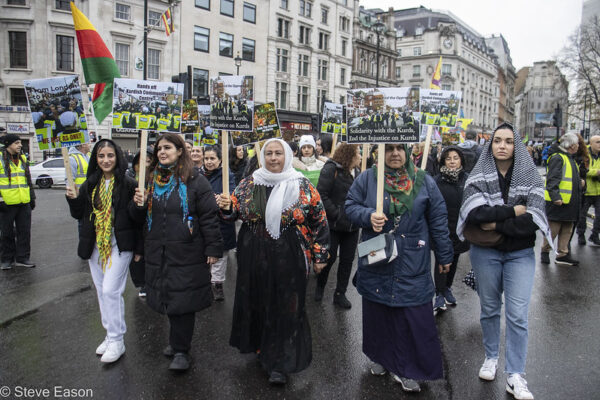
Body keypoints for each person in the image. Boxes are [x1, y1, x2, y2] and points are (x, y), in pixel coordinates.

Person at [217, 138, 329, 385]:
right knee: (257, 300)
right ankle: (261, 347)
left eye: (279, 153)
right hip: (253, 251)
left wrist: (320, 255)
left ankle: (279, 361)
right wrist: (226, 208)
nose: (274, 158)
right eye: (269, 153)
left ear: (287, 155)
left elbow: (319, 221)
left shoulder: (302, 186)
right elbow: (233, 212)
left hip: (288, 253)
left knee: (285, 304)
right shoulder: (250, 183)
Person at [345, 143, 453, 393]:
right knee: (378, 311)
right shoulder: (367, 178)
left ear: (408, 152)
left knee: (411, 316)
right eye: (389, 148)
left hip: (412, 258)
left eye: (399, 149)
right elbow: (350, 206)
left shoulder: (424, 181)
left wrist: (445, 255)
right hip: (377, 255)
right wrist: (368, 215)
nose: (395, 153)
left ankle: (407, 368)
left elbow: (438, 219)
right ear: (379, 153)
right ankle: (381, 357)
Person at [457, 122, 552, 400]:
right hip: (485, 253)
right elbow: (475, 215)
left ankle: (515, 374)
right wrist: (513, 211)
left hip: (520, 254)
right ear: (491, 144)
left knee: (517, 315)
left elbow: (532, 221)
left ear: (516, 145)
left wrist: (496, 223)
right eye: (497, 140)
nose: (502, 145)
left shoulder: (531, 175)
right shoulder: (478, 174)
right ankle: (490, 357)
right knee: (488, 308)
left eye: (508, 141)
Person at [133, 133, 223, 371]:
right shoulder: (150, 180)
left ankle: (182, 350)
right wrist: (138, 204)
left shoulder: (195, 180)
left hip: (187, 251)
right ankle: (176, 342)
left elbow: (209, 217)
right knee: (167, 295)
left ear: (180, 151)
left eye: (168, 148)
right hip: (158, 250)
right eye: (159, 148)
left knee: (183, 299)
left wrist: (213, 248)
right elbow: (140, 220)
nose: (162, 152)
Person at [65, 139, 139, 363]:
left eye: (110, 155)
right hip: (96, 246)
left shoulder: (129, 184)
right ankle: (110, 334)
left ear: (117, 157)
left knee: (110, 290)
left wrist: (141, 205)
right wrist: (72, 199)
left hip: (120, 246)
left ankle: (117, 339)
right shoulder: (90, 184)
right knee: (102, 292)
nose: (106, 160)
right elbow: (79, 215)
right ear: (95, 159)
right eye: (101, 156)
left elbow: (138, 219)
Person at [315, 143, 361, 309]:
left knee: (348, 260)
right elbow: (321, 194)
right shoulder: (331, 169)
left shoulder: (358, 172)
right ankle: (320, 286)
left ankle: (340, 293)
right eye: (358, 153)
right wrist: (336, 214)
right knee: (330, 257)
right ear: (350, 155)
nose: (361, 157)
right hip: (334, 225)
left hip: (352, 226)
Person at [433, 146, 469, 314]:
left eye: (456, 158)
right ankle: (439, 293)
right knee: (442, 260)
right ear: (443, 161)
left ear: (461, 160)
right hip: (442, 228)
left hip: (460, 228)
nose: (453, 161)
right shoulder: (436, 181)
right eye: (449, 158)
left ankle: (447, 287)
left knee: (454, 258)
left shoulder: (468, 180)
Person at [541, 133, 582, 266]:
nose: (579, 146)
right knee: (553, 230)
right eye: (577, 144)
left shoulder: (569, 158)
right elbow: (552, 179)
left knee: (567, 229)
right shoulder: (558, 158)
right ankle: (545, 251)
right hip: (559, 202)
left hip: (570, 202)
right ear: (571, 145)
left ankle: (562, 254)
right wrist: (555, 197)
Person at [201, 145, 236, 301]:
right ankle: (204, 283)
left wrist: (224, 200)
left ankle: (217, 285)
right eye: (206, 158)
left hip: (221, 221)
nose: (209, 162)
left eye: (212, 158)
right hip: (202, 222)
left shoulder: (226, 175)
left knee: (220, 257)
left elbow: (232, 196)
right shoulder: (197, 175)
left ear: (220, 160)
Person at [0, 135, 36, 270]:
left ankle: (22, 258)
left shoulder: (22, 158)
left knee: (24, 232)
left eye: (20, 142)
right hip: (6, 203)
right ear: (8, 144)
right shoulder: (0, 158)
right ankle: (6, 260)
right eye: (16, 143)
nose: (20, 145)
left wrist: (32, 198)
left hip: (23, 201)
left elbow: (28, 179)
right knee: (6, 233)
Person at [126, 147, 154, 297]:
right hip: (135, 228)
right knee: (137, 258)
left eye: (149, 161)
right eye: (142, 161)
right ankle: (142, 283)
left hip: (151, 226)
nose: (145, 165)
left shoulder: (158, 180)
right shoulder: (129, 181)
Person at [577, 135, 600, 245]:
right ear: (591, 144)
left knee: (599, 216)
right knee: (582, 215)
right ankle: (581, 234)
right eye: (597, 142)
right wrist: (596, 172)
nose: (599, 144)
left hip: (598, 191)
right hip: (586, 191)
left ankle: (595, 235)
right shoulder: (585, 155)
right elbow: (583, 171)